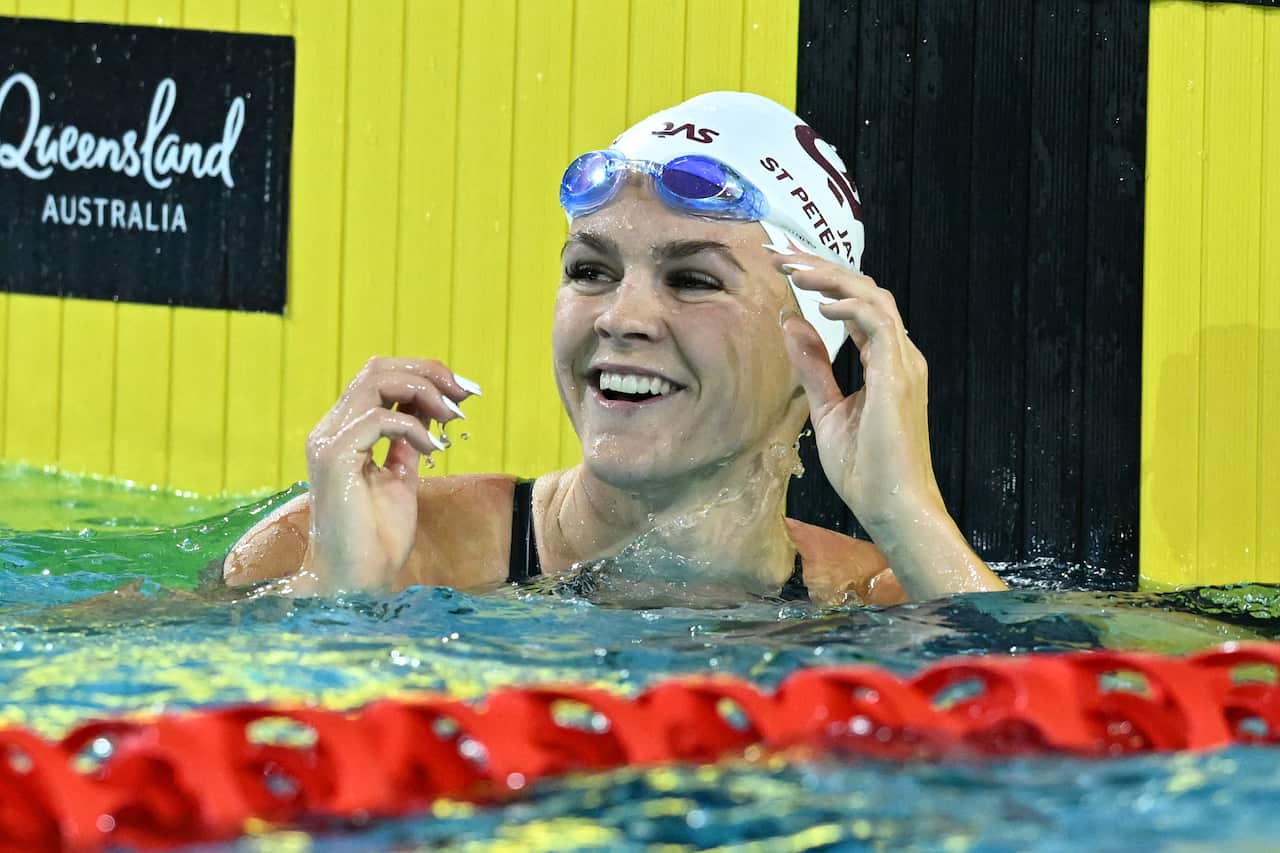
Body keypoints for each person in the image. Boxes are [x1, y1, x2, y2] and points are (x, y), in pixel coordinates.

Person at [223, 92, 1007, 605]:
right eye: (591, 270)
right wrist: (343, 599)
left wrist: (910, 515)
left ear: (816, 348)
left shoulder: (886, 592)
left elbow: (1055, 753)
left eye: (694, 279)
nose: (621, 317)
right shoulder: (350, 542)